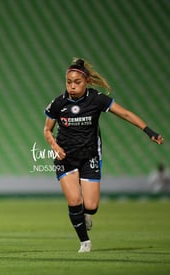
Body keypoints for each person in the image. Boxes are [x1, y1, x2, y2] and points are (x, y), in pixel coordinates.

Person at [44, 58, 163, 253]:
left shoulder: (97, 99)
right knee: (74, 201)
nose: (72, 86)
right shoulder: (58, 103)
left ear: (87, 82)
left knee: (91, 206)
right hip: (65, 157)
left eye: (77, 82)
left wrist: (148, 131)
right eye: (68, 82)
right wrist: (54, 146)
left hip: (90, 156)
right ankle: (85, 242)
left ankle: (85, 214)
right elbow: (47, 130)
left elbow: (124, 114)